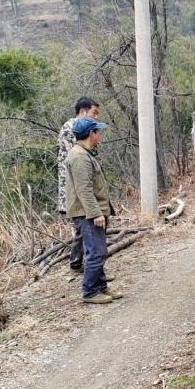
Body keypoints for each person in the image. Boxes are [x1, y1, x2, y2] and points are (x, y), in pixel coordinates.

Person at [64, 117, 122, 304]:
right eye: (97, 131)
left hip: (90, 211)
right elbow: (84, 189)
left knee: (97, 250)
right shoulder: (80, 156)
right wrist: (96, 213)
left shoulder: (84, 153)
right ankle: (90, 292)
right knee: (97, 252)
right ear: (91, 133)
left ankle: (101, 286)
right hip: (87, 213)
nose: (99, 135)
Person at [57, 97, 100, 271]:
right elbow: (77, 161)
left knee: (85, 229)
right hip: (75, 187)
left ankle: (89, 269)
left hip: (83, 185)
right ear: (82, 111)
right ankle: (77, 265)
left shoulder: (85, 129)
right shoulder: (70, 129)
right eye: (93, 113)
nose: (96, 117)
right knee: (82, 228)